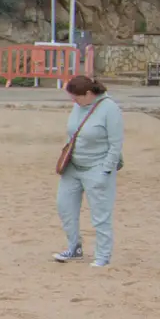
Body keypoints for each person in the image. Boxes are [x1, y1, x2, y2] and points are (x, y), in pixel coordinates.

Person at [54, 74, 124, 268]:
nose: (73, 101)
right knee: (64, 206)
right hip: (73, 166)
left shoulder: (110, 109)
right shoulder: (78, 106)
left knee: (100, 214)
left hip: (97, 167)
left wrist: (106, 171)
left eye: (75, 97)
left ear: (88, 94)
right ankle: (74, 246)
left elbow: (115, 144)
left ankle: (103, 255)